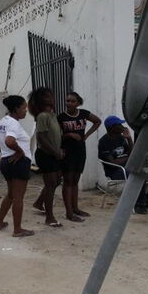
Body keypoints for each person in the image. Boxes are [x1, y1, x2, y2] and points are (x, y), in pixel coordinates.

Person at [97, 116, 148, 214]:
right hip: (116, 171)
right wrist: (128, 158)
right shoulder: (104, 142)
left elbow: (133, 153)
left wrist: (129, 138)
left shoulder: (121, 138)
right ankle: (139, 204)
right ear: (112, 127)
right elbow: (113, 163)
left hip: (130, 165)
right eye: (119, 124)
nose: (122, 126)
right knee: (139, 172)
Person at [57, 91, 101, 222]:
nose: (69, 103)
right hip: (67, 151)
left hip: (80, 150)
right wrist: (69, 135)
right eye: (68, 101)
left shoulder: (83, 113)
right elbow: (56, 136)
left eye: (72, 101)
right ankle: (69, 212)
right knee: (68, 181)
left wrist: (86, 135)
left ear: (78, 103)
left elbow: (97, 121)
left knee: (75, 181)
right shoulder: (61, 117)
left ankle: (75, 208)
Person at [0, 95, 34, 237]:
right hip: (18, 163)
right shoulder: (14, 124)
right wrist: (19, 151)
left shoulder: (2, 121)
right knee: (18, 197)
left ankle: (0, 223)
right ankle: (17, 229)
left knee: (11, 194)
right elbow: (9, 141)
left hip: (6, 161)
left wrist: (6, 154)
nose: (26, 111)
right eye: (24, 108)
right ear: (16, 109)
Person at [29, 88, 64, 228]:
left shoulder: (52, 115)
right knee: (51, 185)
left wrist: (59, 150)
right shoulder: (42, 116)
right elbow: (41, 138)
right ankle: (49, 217)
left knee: (55, 182)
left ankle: (39, 203)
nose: (52, 98)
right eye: (48, 96)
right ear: (42, 100)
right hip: (46, 155)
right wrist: (55, 152)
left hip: (54, 154)